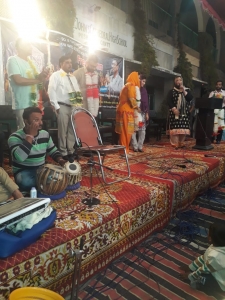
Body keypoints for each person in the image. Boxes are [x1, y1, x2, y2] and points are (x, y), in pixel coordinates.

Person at [8, 107, 67, 192]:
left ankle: (41, 185)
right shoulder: (14, 137)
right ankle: (42, 185)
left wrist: (61, 160)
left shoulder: (45, 134)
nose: (41, 123)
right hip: (23, 171)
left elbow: (53, 150)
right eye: (36, 120)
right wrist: (30, 136)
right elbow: (20, 157)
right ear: (26, 121)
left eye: (41, 119)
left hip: (41, 170)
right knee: (26, 182)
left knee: (61, 177)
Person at [6, 38, 48, 129]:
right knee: (25, 132)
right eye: (27, 44)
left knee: (37, 131)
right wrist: (38, 80)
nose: (31, 47)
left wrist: (43, 77)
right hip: (22, 105)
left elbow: (40, 85)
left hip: (35, 104)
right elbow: (18, 80)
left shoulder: (33, 64)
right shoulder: (13, 60)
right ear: (20, 47)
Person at [48, 55, 81, 160]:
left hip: (73, 107)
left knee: (71, 130)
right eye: (67, 62)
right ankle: (63, 152)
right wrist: (56, 106)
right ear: (61, 64)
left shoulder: (73, 77)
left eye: (71, 62)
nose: (70, 64)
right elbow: (51, 90)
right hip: (61, 106)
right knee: (63, 130)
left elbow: (77, 92)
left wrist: (78, 107)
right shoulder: (56, 75)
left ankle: (71, 150)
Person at [179, 223, 225, 296]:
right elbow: (204, 258)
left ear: (210, 238)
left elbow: (204, 269)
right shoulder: (217, 246)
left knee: (203, 279)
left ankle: (213, 291)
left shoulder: (215, 256)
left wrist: (191, 276)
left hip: (221, 282)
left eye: (208, 234)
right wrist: (190, 267)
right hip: (215, 270)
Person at [115, 71, 140, 155]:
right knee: (125, 132)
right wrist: (137, 107)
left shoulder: (126, 85)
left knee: (125, 131)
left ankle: (125, 150)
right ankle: (123, 152)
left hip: (124, 111)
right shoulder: (131, 85)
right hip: (126, 111)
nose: (139, 80)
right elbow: (131, 98)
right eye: (138, 78)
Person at [167, 76, 193, 149]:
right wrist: (174, 109)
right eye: (177, 80)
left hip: (184, 113)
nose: (179, 81)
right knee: (175, 129)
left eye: (180, 80)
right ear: (175, 82)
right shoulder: (171, 91)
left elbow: (189, 98)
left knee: (183, 128)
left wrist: (184, 90)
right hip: (175, 113)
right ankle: (175, 144)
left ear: (182, 81)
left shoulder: (187, 90)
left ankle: (181, 143)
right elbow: (169, 101)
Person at [131, 74, 149, 152]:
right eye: (143, 81)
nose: (144, 83)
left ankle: (140, 146)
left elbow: (146, 102)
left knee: (142, 129)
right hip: (133, 113)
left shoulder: (144, 90)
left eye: (145, 81)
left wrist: (147, 112)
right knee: (133, 130)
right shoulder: (133, 88)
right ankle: (134, 146)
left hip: (141, 114)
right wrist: (136, 107)